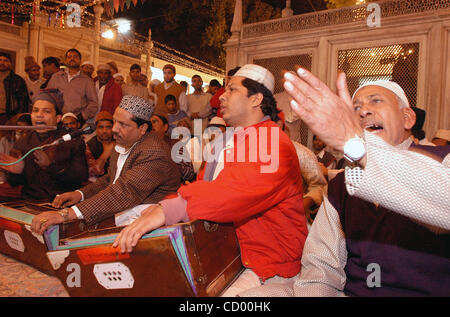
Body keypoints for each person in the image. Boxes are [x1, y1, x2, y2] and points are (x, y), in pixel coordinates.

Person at [243, 70, 450, 296]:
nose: (363, 111)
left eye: (376, 101)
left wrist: (358, 147)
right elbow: (321, 268)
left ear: (408, 118)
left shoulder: (443, 159)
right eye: (355, 109)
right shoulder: (342, 184)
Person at [112, 64, 308, 297]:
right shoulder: (234, 141)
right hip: (232, 254)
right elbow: (207, 187)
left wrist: (168, 210)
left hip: (269, 266)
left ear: (256, 99)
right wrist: (161, 206)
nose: (221, 97)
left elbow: (232, 194)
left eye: (232, 90)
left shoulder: (272, 142)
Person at [31, 95, 181, 233]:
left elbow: (124, 192)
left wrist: (67, 214)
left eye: (123, 124)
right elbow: (111, 179)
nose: (114, 129)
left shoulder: (154, 151)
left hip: (150, 222)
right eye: (115, 121)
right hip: (124, 211)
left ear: (142, 129)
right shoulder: (123, 142)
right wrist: (80, 194)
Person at [0, 88, 88, 201]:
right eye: (35, 110)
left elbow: (80, 177)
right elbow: (16, 183)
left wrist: (50, 166)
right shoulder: (23, 141)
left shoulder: (72, 140)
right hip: (30, 202)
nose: (39, 115)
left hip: (61, 204)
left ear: (58, 118)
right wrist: (17, 172)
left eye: (46, 111)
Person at [47, 49, 98, 126]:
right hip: (57, 120)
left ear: (80, 60)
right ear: (66, 60)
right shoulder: (56, 77)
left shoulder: (87, 81)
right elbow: (48, 97)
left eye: (75, 57)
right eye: (69, 57)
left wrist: (82, 117)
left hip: (76, 122)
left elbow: (93, 103)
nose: (72, 59)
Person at [0, 52, 29, 124]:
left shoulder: (17, 80)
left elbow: (23, 101)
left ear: (10, 63)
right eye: (0, 60)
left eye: (5, 60)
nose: (2, 63)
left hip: (8, 116)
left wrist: (18, 117)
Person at [85, 111, 115, 180]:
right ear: (96, 128)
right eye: (101, 127)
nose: (104, 131)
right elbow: (94, 172)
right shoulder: (89, 146)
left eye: (108, 127)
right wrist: (107, 152)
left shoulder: (119, 142)